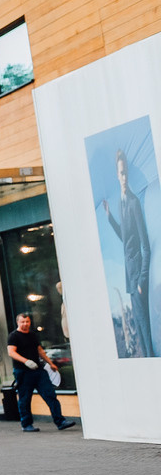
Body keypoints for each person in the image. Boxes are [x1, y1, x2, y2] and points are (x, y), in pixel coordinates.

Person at [99, 148, 154, 358]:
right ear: (116, 174)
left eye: (125, 173)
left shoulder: (133, 202)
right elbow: (126, 239)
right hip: (130, 278)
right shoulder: (122, 203)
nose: (123, 177)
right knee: (139, 330)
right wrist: (109, 216)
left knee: (144, 327)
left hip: (137, 278)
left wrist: (141, 281)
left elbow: (145, 246)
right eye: (120, 173)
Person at [7, 312, 72, 431]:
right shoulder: (13, 336)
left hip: (38, 371)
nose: (25, 324)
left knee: (50, 395)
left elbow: (40, 351)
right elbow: (11, 352)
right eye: (22, 322)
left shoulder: (32, 335)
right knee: (25, 399)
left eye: (27, 322)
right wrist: (26, 361)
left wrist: (50, 363)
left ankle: (60, 421)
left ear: (30, 322)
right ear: (18, 322)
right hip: (23, 372)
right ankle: (26, 424)